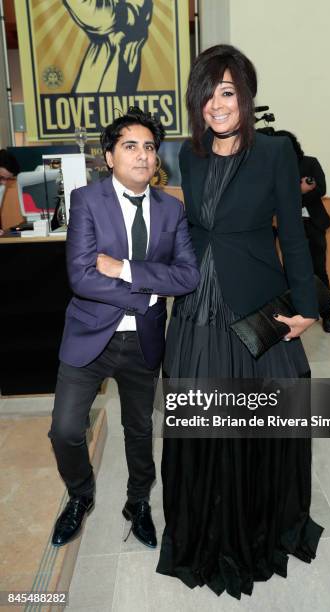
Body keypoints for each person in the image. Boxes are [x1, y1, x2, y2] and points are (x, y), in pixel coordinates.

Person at [156, 45, 323, 599]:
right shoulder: (188, 155)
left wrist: (306, 309)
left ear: (245, 97)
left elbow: (293, 239)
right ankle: (206, 530)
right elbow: (191, 230)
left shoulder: (276, 153)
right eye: (207, 94)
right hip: (198, 310)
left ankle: (260, 525)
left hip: (255, 300)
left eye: (226, 91)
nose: (216, 104)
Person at [48, 108, 199, 548]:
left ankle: (138, 502)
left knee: (140, 430)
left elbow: (188, 275)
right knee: (65, 429)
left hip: (144, 341)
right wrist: (147, 290)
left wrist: (126, 269)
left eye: (149, 147)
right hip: (89, 336)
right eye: (129, 146)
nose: (142, 155)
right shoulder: (86, 201)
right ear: (109, 157)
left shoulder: (172, 208)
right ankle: (80, 495)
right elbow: (81, 276)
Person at [273, 131, 330, 332]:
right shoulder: (275, 167)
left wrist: (294, 195)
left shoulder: (310, 162)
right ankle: (295, 312)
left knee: (319, 268)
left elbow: (321, 189)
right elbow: (274, 197)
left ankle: (326, 313)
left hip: (313, 223)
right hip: (289, 225)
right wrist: (302, 189)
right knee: (291, 270)